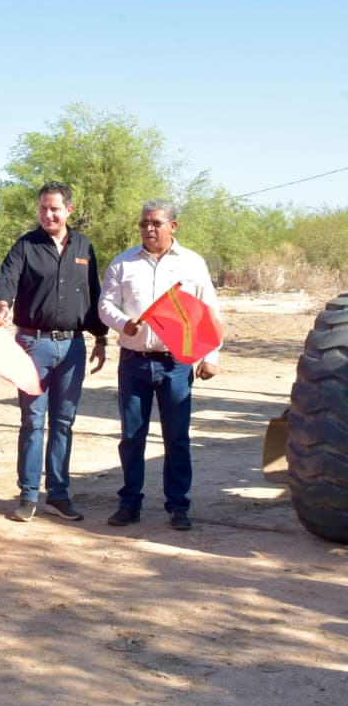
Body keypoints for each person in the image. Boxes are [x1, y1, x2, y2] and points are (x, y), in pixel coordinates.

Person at [98, 199, 220, 530]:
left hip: (175, 363)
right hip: (134, 363)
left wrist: (211, 356)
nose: (148, 229)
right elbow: (105, 305)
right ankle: (129, 504)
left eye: (156, 223)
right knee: (132, 436)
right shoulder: (123, 263)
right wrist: (124, 323)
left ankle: (178, 506)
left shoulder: (192, 264)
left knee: (176, 437)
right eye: (144, 223)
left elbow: (209, 311)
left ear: (173, 226)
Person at [0, 181, 108, 523]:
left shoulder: (84, 246)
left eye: (54, 208)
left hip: (73, 347)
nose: (48, 214)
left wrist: (101, 338)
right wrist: (3, 304)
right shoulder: (25, 245)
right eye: (43, 208)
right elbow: (6, 280)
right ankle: (28, 495)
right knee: (32, 421)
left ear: (69, 210)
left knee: (63, 422)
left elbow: (94, 293)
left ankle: (58, 495)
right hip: (32, 346)